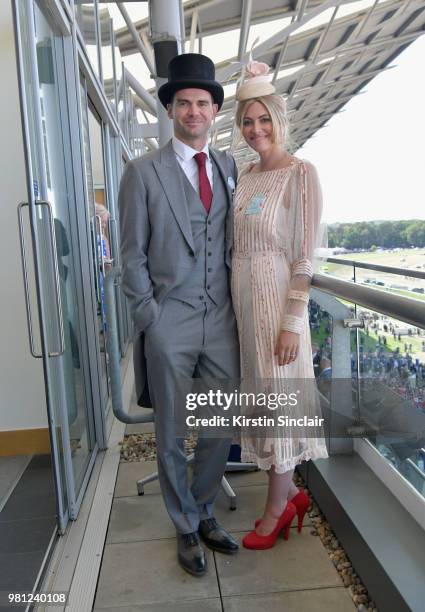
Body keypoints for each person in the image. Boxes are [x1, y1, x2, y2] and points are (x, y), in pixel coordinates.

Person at [118, 53, 240, 576]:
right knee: (169, 428)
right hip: (170, 316)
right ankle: (184, 524)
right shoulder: (142, 172)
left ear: (215, 111)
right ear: (171, 110)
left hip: (223, 318)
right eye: (184, 103)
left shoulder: (229, 166)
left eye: (203, 103)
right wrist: (150, 317)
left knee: (219, 422)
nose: (194, 111)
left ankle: (204, 508)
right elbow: (130, 254)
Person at [231, 61, 328, 550]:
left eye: (263, 119)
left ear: (279, 118)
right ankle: (289, 492)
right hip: (246, 306)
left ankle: (275, 507)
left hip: (277, 308)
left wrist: (292, 321)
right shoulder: (246, 176)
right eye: (247, 121)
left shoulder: (300, 173)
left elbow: (305, 254)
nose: (256, 130)